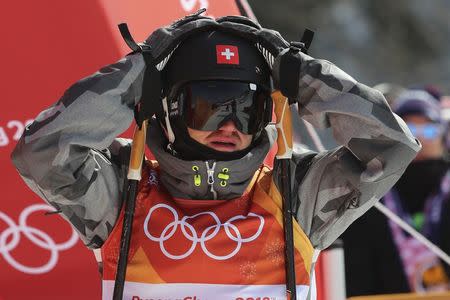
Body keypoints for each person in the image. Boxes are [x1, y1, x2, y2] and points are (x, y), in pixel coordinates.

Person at [11, 11, 420, 300]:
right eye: (209, 106)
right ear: (170, 108)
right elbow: (39, 152)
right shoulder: (123, 193)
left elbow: (393, 148)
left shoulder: (295, 195)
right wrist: (140, 73)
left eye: (247, 110)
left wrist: (306, 78)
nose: (230, 126)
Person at [342, 87, 450, 296]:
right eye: (410, 130)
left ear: (443, 135)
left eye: (429, 130)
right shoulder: (368, 193)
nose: (421, 140)